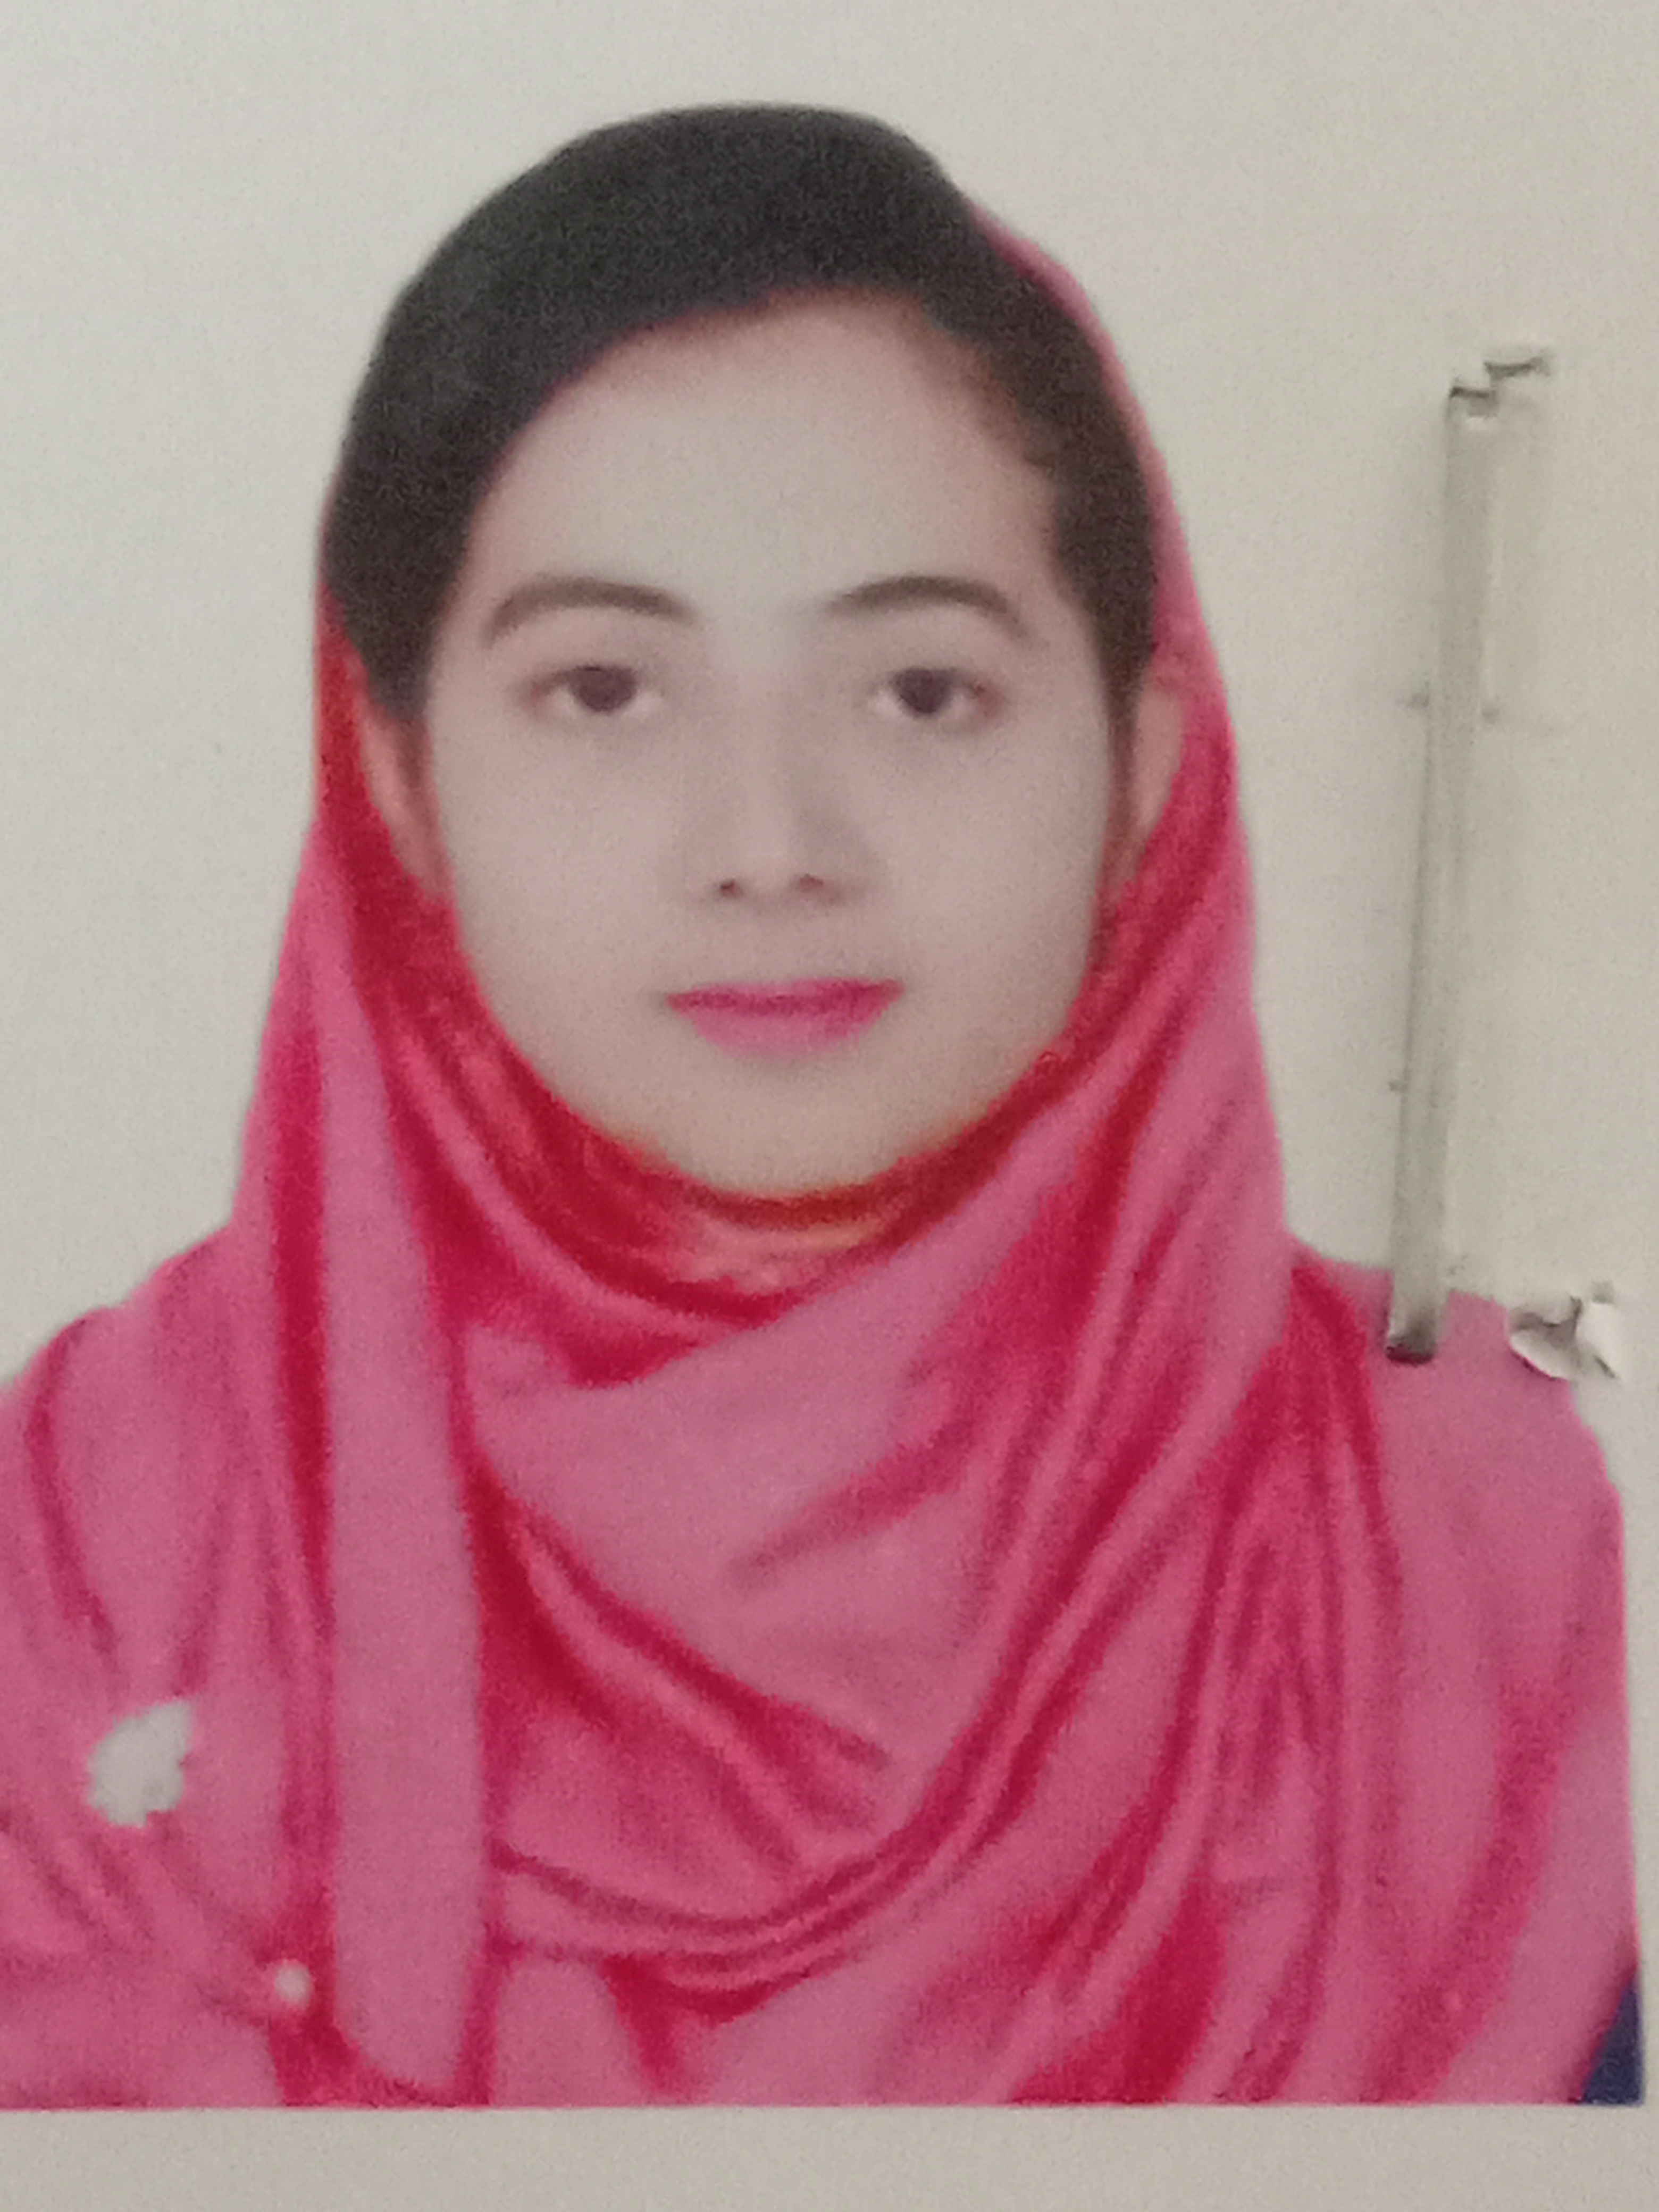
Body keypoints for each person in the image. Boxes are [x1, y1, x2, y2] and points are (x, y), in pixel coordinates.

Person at [0, 103, 1639, 2107]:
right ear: (403, 779)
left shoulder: (1475, 1537)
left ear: (1143, 763)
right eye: (606, 690)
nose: (771, 846)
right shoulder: (86, 1551)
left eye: (922, 692)